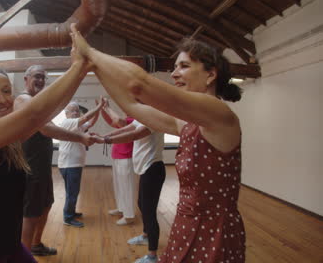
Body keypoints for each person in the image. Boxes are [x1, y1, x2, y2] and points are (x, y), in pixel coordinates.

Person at [70, 24, 245, 263]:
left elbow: (138, 85)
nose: (174, 74)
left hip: (214, 231)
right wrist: (93, 68)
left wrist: (89, 52)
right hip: (187, 223)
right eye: (175, 67)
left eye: (183, 66)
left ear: (211, 75)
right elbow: (133, 107)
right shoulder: (186, 122)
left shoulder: (217, 112)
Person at [0, 39, 92, 262]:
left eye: (6, 91)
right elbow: (35, 115)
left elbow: (46, 114)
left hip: (6, 239)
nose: (2, 99)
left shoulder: (9, 138)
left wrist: (81, 71)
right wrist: (77, 67)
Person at [14, 65, 94, 256]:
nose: (41, 81)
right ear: (26, 79)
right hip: (30, 168)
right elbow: (46, 129)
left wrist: (76, 77)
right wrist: (81, 138)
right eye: (37, 77)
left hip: (42, 168)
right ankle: (23, 256)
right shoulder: (23, 99)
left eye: (43, 78)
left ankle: (36, 244)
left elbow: (59, 104)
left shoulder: (39, 103)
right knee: (31, 213)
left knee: (46, 205)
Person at [93, 118, 165, 263]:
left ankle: (152, 256)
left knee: (149, 211)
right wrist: (103, 136)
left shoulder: (153, 118)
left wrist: (105, 140)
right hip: (146, 169)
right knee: (141, 204)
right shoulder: (141, 117)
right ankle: (145, 236)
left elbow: (133, 135)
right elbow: (124, 129)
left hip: (153, 169)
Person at [57, 100, 102, 227]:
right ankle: (68, 217)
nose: (76, 112)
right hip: (69, 165)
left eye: (77, 110)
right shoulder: (68, 123)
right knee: (72, 192)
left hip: (74, 164)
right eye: (73, 110)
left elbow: (91, 121)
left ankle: (71, 212)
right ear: (66, 113)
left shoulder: (77, 125)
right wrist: (98, 107)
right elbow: (86, 117)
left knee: (73, 192)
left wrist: (99, 111)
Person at [97, 98, 136, 225]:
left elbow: (119, 121)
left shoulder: (134, 121)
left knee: (127, 187)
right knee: (119, 186)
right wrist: (102, 109)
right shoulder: (127, 120)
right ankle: (121, 208)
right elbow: (111, 120)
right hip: (118, 156)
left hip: (127, 156)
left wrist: (107, 107)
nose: (124, 108)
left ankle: (129, 215)